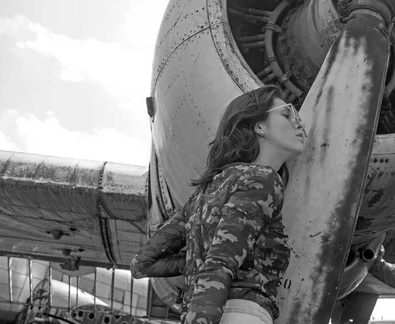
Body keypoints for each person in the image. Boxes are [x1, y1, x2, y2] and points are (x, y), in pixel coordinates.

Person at [130, 85, 307, 324]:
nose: (300, 123)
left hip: (205, 310)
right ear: (259, 126)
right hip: (240, 313)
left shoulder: (203, 194)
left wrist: (195, 261)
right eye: (287, 114)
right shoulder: (262, 180)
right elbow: (221, 262)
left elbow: (141, 264)